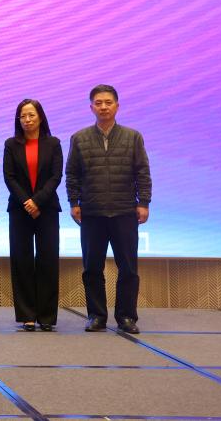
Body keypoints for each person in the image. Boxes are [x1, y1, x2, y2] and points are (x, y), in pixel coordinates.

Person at [67, 84, 152, 334]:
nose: (103, 107)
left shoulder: (133, 137)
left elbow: (142, 172)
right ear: (91, 107)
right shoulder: (79, 138)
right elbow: (72, 174)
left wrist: (144, 202)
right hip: (92, 212)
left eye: (108, 102)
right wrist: (74, 203)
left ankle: (126, 317)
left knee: (128, 268)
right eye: (98, 103)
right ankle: (96, 316)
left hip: (124, 211)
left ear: (117, 106)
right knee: (92, 268)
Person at [3, 99, 62, 332]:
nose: (27, 120)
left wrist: (38, 201)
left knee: (48, 260)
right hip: (20, 210)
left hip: (47, 209)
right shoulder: (11, 144)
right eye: (23, 116)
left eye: (31, 115)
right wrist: (26, 201)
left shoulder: (53, 143)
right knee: (22, 260)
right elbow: (9, 177)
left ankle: (46, 316)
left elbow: (56, 176)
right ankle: (27, 315)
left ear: (40, 117)